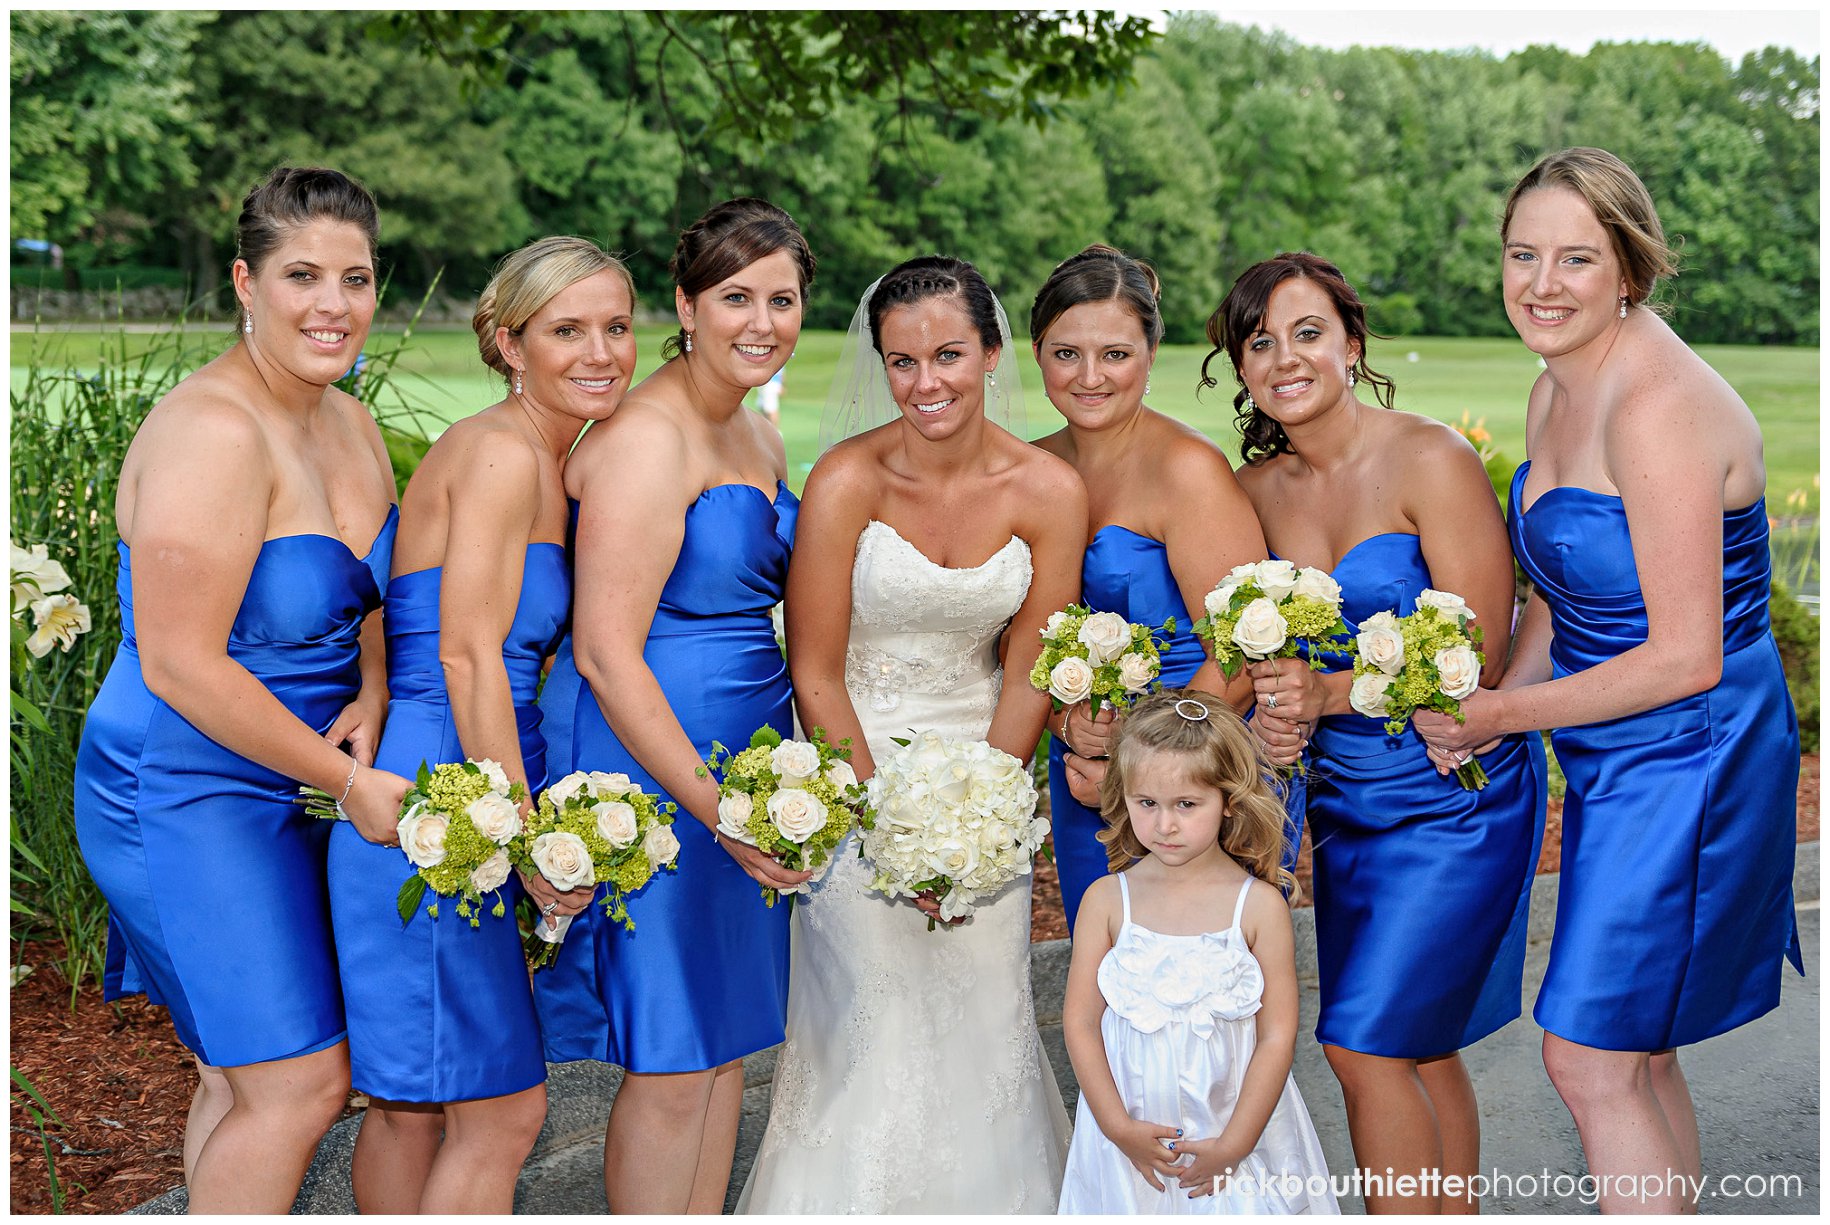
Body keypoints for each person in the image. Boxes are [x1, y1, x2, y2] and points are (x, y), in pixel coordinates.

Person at [1414, 147, 1802, 1213]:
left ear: (1628, 267)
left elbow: (1688, 655)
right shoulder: (1555, 387)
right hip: (1616, 748)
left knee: (1588, 1055)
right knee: (1635, 1050)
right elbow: (1558, 598)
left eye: (1575, 259)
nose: (1541, 282)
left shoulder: (1657, 405)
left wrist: (1503, 713)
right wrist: (1480, 709)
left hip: (1698, 747)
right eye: (1522, 254)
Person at [72, 166, 407, 1212]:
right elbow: (180, 661)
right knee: (300, 1081)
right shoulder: (210, 431)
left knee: (243, 1072)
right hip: (178, 784)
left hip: (287, 778)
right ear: (245, 283)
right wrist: (346, 785)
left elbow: (370, 596)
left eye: (354, 278)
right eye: (301, 274)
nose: (332, 304)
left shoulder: (347, 423)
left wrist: (374, 686)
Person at [737, 256, 1084, 1212]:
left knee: (986, 1032)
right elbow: (814, 670)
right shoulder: (849, 480)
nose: (925, 383)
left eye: (947, 355)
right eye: (902, 362)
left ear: (990, 353)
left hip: (987, 781)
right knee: (870, 1040)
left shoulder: (1049, 489)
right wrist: (885, 826)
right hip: (854, 786)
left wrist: (974, 829)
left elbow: (1031, 671)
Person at [1204, 252, 1547, 1212]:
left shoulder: (1429, 458)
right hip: (1343, 804)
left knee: (1361, 1041)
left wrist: (1321, 694)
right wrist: (1277, 715)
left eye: (1307, 333)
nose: (1284, 359)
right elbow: (1259, 660)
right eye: (1258, 342)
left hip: (1453, 786)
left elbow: (1475, 651)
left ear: (1352, 344)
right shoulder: (1257, 490)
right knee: (1415, 1044)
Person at [326, 237, 633, 1213]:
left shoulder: (540, 454)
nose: (600, 352)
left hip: (469, 772)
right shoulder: (504, 454)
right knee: (499, 1109)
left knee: (417, 1105)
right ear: (509, 342)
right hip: (445, 798)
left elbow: (390, 597)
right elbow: (466, 654)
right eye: (567, 330)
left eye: (617, 327)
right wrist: (529, 829)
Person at [531, 198, 816, 1213]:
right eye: (736, 297)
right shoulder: (649, 439)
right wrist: (722, 811)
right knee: (669, 1053)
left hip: (745, 752)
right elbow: (607, 652)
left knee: (725, 1038)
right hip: (656, 763)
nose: (761, 321)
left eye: (781, 299)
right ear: (687, 306)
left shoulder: (760, 432)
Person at [1028, 244, 1276, 935]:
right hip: (1081, 766)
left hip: (1191, 777)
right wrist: (1071, 730)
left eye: (1115, 353)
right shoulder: (1034, 465)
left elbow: (1236, 655)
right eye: (1065, 353)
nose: (1089, 376)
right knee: (1105, 980)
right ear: (1036, 351)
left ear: (1150, 351)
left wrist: (1134, 771)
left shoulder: (1187, 470)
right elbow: (1024, 639)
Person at [1058, 690, 1337, 1214]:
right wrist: (1117, 1128)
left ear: (1228, 801)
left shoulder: (1255, 907)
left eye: (1186, 805)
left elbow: (1276, 1034)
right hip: (1130, 1137)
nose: (1164, 825)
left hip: (1236, 1133)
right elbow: (1080, 1023)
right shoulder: (1106, 901)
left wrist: (1234, 1146)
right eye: (1147, 804)